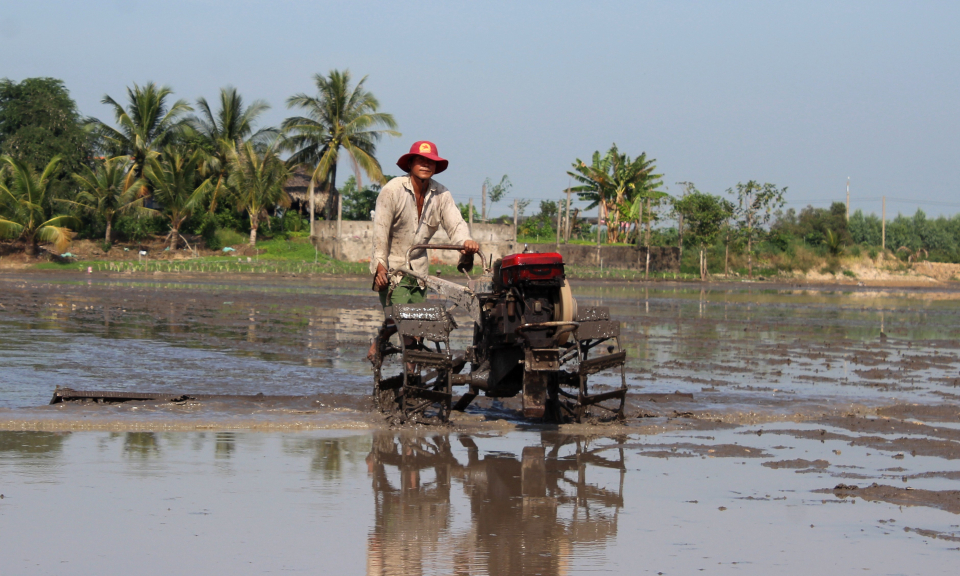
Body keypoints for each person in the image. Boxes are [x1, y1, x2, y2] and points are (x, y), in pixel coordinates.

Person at [367, 140, 479, 361]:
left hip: (418, 272)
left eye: (431, 162)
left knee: (417, 330)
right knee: (402, 324)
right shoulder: (392, 190)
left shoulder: (441, 195)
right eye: (421, 160)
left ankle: (412, 374)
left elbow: (455, 224)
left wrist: (466, 241)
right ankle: (384, 343)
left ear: (436, 167)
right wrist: (380, 266)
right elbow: (380, 231)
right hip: (393, 270)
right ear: (410, 164)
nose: (426, 165)